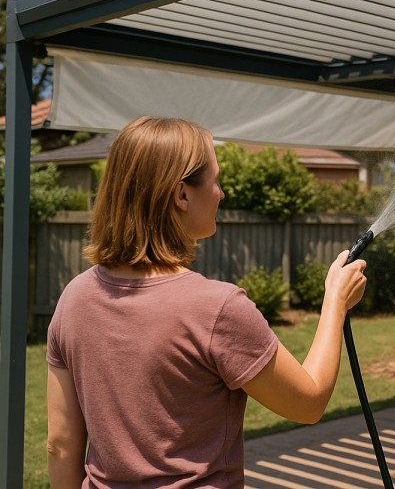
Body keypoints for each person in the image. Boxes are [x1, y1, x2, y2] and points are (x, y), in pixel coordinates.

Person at [46, 116, 368, 487]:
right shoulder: (217, 309)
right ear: (182, 194)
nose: (221, 193)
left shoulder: (74, 297)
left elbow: (60, 446)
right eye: (216, 180)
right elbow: (307, 403)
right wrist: (335, 303)